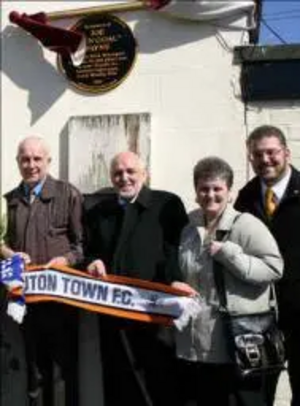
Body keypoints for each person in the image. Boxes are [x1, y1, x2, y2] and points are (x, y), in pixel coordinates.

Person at [172, 156, 283, 406]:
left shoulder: (246, 226)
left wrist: (230, 254)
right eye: (204, 188)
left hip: (239, 343)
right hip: (197, 344)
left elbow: (274, 269)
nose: (210, 194)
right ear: (196, 192)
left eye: (217, 188)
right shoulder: (188, 228)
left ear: (229, 192)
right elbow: (184, 271)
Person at [84, 151, 188, 406]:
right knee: (119, 381)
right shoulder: (99, 212)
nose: (124, 178)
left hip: (155, 313)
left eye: (131, 171)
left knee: (160, 379)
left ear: (145, 174)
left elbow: (179, 249)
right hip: (113, 314)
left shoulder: (167, 204)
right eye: (118, 173)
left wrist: (175, 279)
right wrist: (92, 261)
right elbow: (89, 249)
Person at [1, 136, 83, 406]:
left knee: (63, 370)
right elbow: (4, 245)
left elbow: (83, 246)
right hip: (26, 303)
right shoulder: (10, 201)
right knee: (34, 371)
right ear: (17, 162)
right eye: (25, 159)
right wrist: (12, 255)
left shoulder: (67, 194)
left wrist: (66, 260)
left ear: (48, 160)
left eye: (37, 158)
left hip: (61, 302)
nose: (31, 164)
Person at [235, 125, 300, 406]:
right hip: (257, 317)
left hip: (299, 313)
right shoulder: (244, 199)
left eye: (271, 152)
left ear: (286, 152)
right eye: (257, 154)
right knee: (255, 395)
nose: (265, 160)